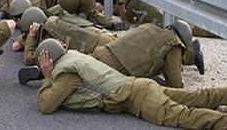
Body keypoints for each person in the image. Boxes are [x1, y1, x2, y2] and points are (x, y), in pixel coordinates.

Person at [33, 39, 227, 129]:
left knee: (183, 117)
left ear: (47, 60)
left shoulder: (66, 73)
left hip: (137, 97)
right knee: (196, 97)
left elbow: (46, 105)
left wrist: (48, 76)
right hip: (139, 86)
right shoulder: (73, 56)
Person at [18, 10, 204, 88]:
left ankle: (47, 71)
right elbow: (176, 88)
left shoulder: (153, 29)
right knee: (80, 81)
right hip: (115, 67)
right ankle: (47, 73)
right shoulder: (172, 45)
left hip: (105, 51)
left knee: (79, 69)